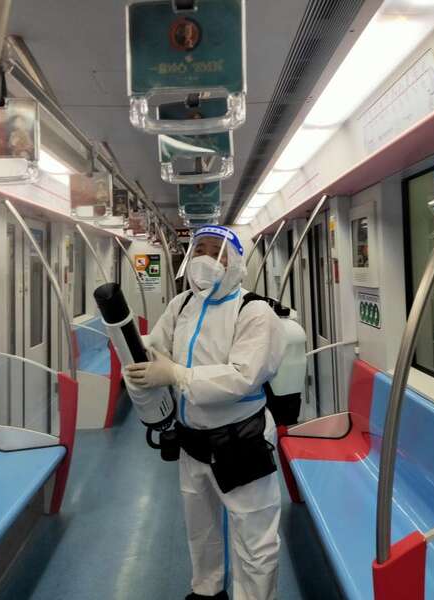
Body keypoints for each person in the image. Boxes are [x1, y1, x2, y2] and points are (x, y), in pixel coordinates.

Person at [125, 226, 286, 600]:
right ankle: (207, 590)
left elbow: (242, 376)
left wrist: (176, 374)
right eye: (199, 250)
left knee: (254, 537)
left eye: (217, 251)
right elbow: (158, 349)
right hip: (192, 440)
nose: (205, 259)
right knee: (201, 527)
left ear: (235, 263)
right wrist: (139, 356)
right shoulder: (181, 305)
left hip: (241, 439)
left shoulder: (254, 311)